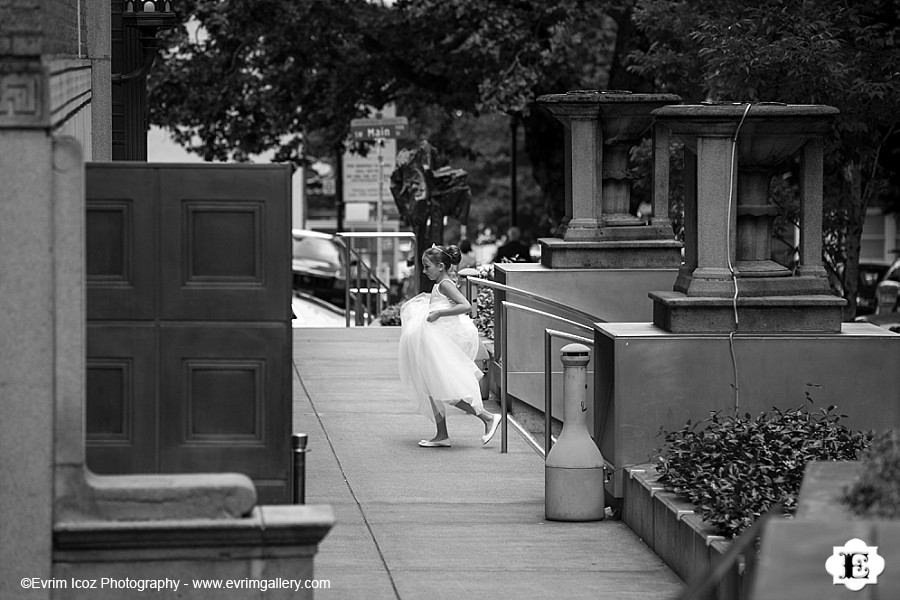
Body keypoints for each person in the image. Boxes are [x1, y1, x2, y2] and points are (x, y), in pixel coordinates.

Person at [398, 244, 501, 447]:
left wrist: (438, 313)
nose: (424, 270)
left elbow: (466, 305)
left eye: (427, 266)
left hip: (437, 342)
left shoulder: (445, 284)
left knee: (444, 389)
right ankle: (442, 434)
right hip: (433, 340)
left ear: (441, 266)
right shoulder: (440, 283)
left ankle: (488, 417)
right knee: (430, 387)